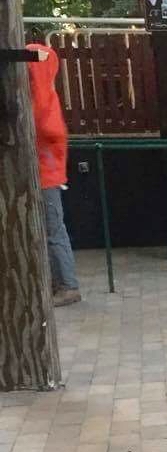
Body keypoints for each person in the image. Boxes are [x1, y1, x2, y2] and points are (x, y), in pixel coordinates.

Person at [27, 39, 81, 306]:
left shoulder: (40, 103)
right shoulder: (46, 98)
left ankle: (68, 285)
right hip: (46, 174)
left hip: (46, 175)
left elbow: (46, 131)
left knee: (53, 231)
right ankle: (59, 283)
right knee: (50, 230)